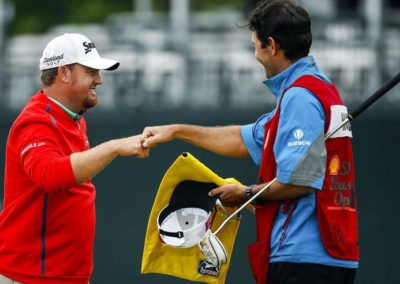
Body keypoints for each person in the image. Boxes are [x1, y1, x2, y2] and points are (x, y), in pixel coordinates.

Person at [141, 1, 359, 283]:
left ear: (272, 45)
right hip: (325, 254)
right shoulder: (316, 88)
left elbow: (300, 181)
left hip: (304, 258)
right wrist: (177, 131)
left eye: (255, 45)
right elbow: (244, 139)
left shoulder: (300, 97)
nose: (255, 54)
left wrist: (245, 193)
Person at [0, 33, 149, 284]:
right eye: (91, 72)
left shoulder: (72, 118)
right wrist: (113, 147)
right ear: (64, 73)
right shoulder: (35, 121)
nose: (99, 80)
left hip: (59, 276)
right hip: (31, 276)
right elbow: (49, 175)